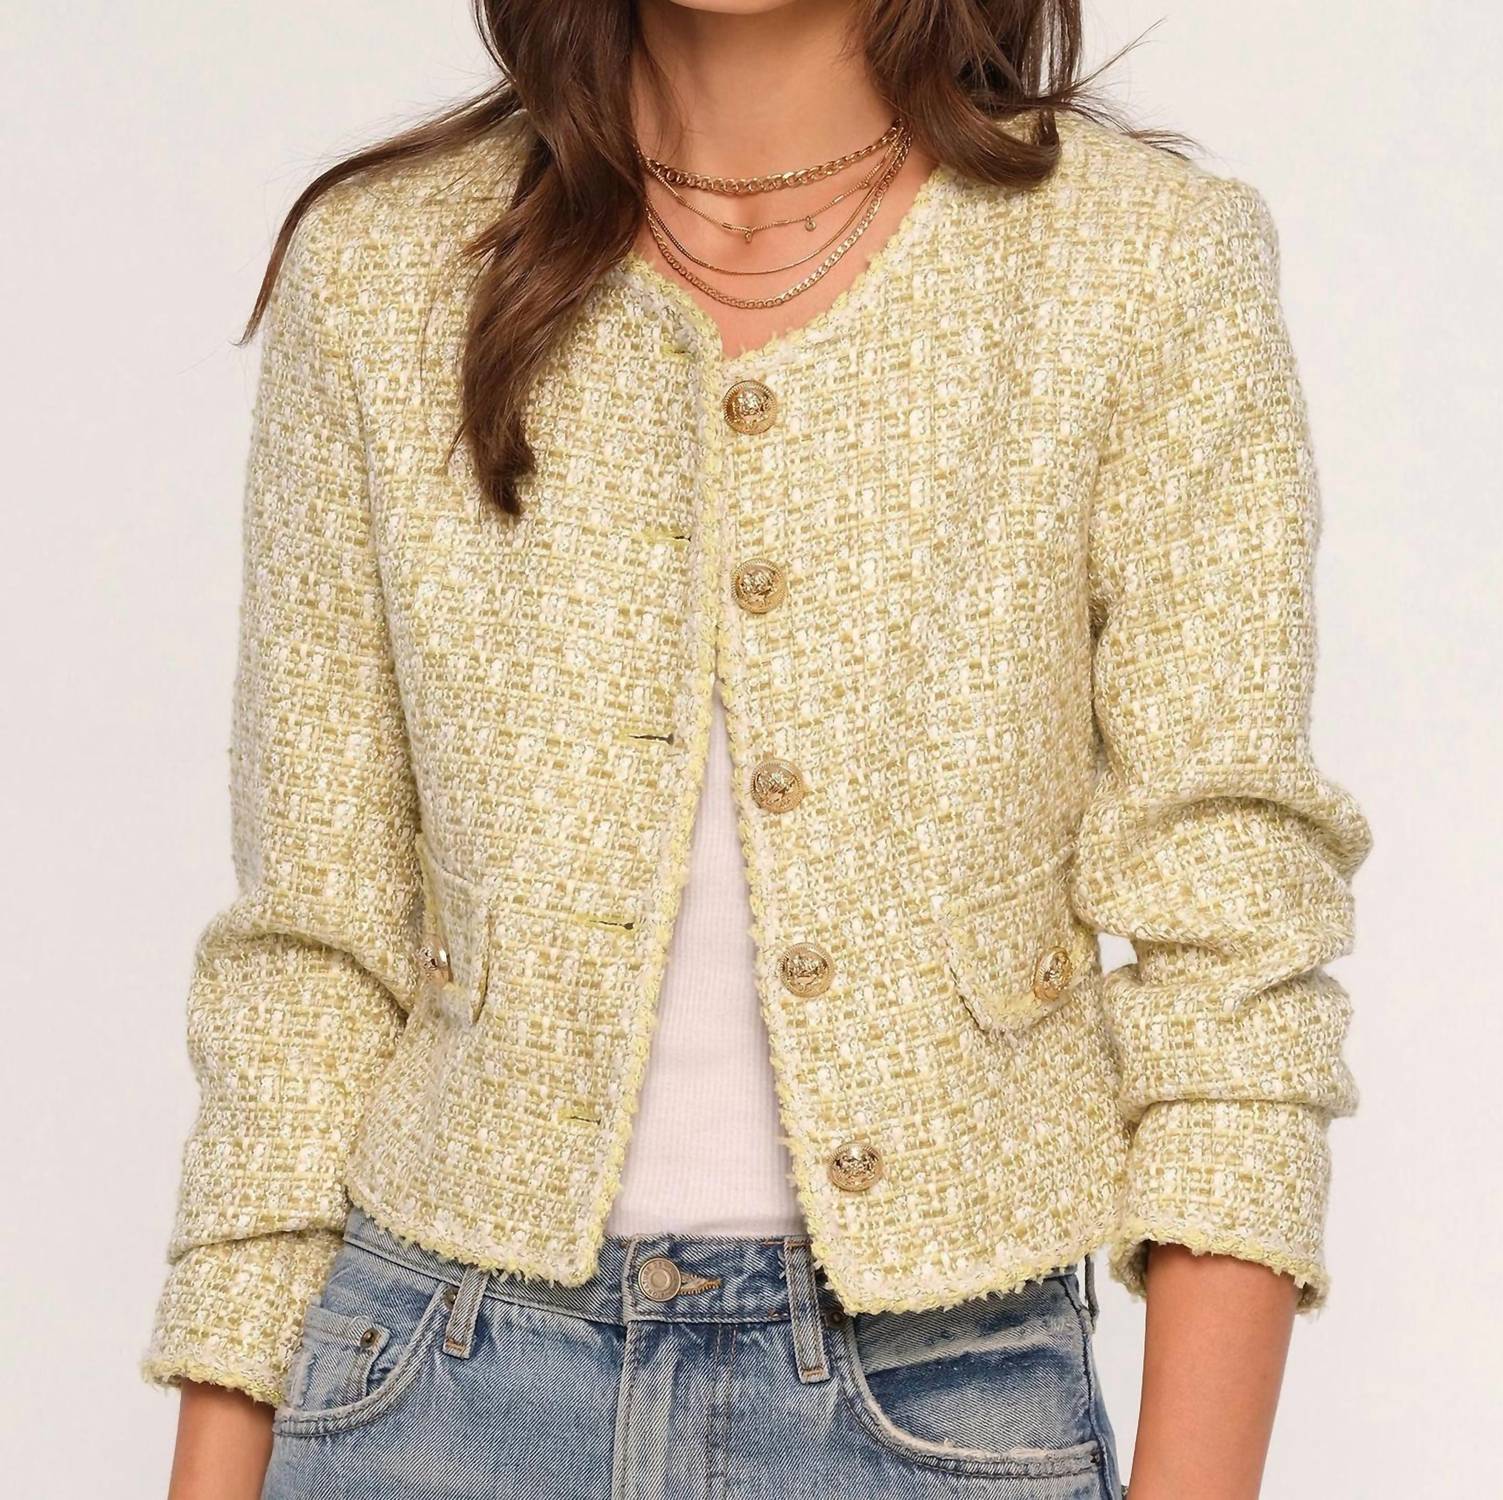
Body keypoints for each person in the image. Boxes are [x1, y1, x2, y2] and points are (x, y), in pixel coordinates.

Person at [142, 3, 1372, 1497]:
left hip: (944, 1406)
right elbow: (311, 959)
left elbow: (1232, 949)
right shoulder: (383, 269)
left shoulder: (1140, 260)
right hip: (430, 1394)